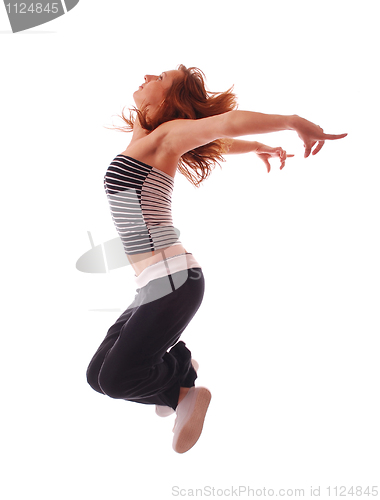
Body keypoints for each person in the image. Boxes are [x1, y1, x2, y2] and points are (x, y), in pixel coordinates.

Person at [86, 65, 347, 454]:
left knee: (118, 380)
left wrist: (291, 122)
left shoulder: (166, 137)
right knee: (98, 376)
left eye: (159, 77)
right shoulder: (154, 139)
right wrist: (256, 147)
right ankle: (180, 382)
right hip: (151, 286)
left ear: (169, 101)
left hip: (173, 281)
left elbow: (227, 123)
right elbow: (219, 139)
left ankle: (181, 377)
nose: (146, 75)